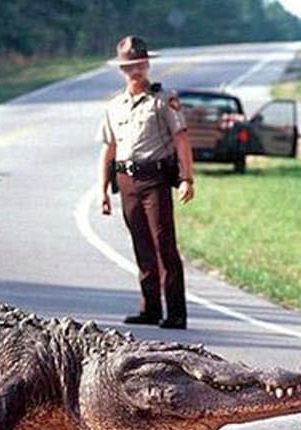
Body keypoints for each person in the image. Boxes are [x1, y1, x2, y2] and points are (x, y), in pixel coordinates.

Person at [97, 35, 195, 330]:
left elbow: (181, 140)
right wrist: (103, 189)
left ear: (147, 64)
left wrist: (186, 178)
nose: (135, 71)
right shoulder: (115, 106)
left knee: (163, 243)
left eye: (139, 65)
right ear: (122, 69)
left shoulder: (164, 100)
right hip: (126, 180)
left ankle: (175, 312)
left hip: (155, 180)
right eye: (129, 66)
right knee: (141, 245)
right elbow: (109, 148)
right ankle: (150, 308)